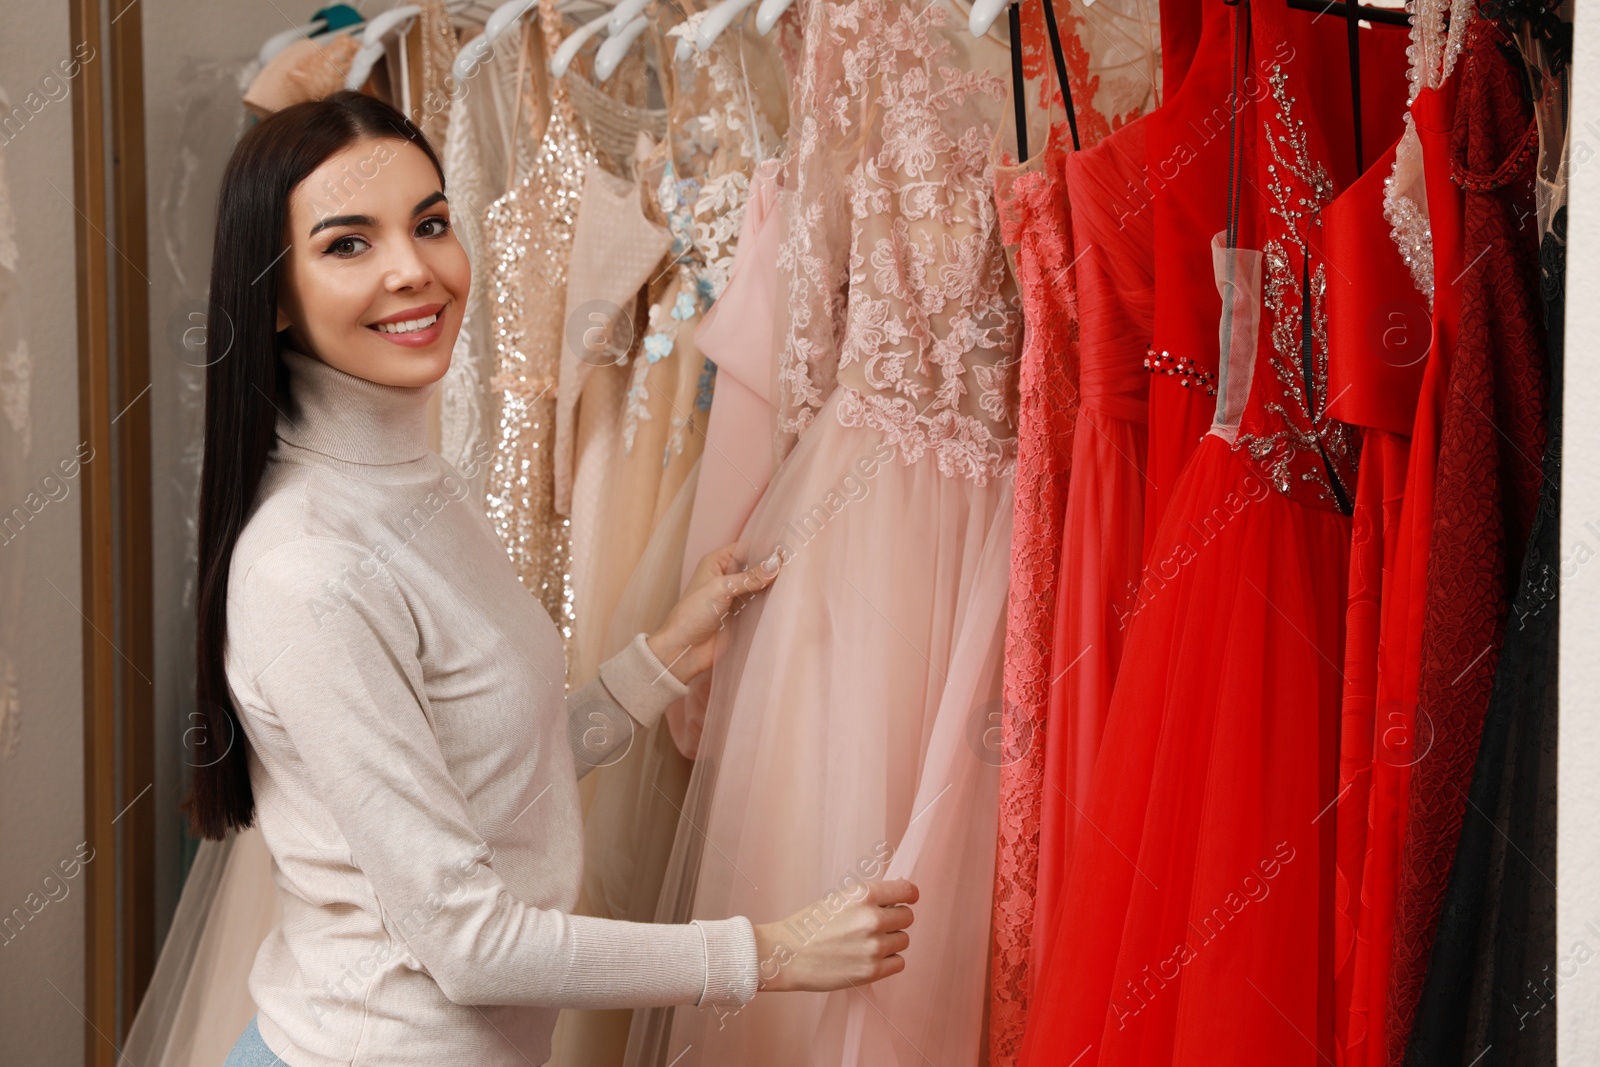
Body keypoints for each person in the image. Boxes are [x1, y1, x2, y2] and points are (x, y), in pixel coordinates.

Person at [183, 90, 917, 1067]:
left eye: (431, 224)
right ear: (273, 292)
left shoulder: (408, 487)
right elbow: (468, 942)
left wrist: (652, 667)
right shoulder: (308, 565)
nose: (414, 269)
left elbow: (476, 784)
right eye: (348, 244)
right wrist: (769, 951)